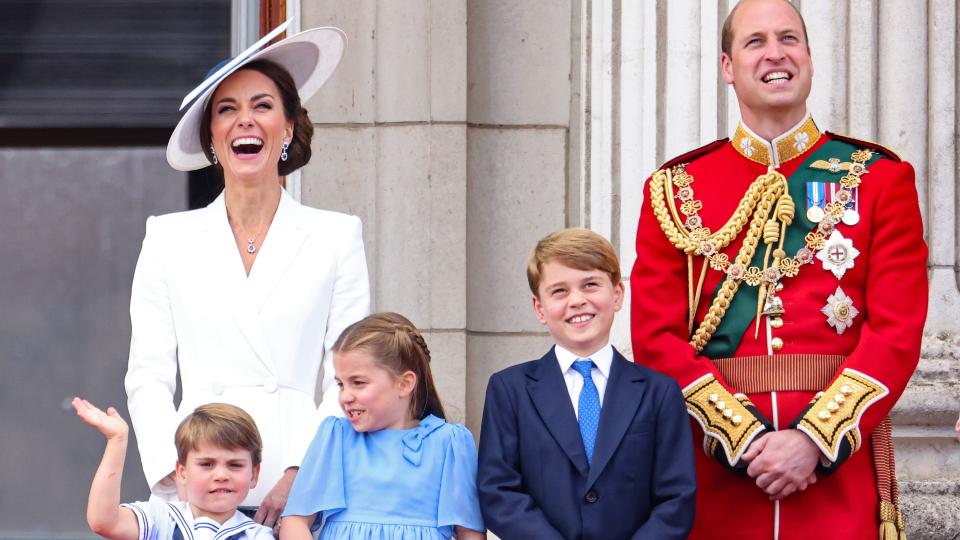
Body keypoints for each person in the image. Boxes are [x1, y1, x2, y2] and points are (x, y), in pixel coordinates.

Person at [630, 0, 928, 538]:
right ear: (727, 66)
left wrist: (813, 440)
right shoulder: (675, 190)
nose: (776, 53)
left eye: (789, 38)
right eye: (755, 41)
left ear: (810, 57)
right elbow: (656, 338)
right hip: (716, 477)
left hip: (835, 478)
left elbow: (896, 333)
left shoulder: (880, 179)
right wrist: (745, 441)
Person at [124, 22, 370, 529]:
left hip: (299, 485)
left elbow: (350, 376)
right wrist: (176, 478)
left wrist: (306, 472)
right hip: (195, 481)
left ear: (287, 127)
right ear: (211, 137)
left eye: (262, 106)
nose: (245, 121)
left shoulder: (336, 235)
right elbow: (147, 376)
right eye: (227, 109)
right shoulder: (167, 237)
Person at [478, 228, 696, 540]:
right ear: (539, 308)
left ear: (617, 294)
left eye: (590, 285)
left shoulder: (659, 392)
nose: (577, 301)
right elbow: (498, 491)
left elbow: (677, 498)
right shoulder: (510, 390)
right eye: (559, 291)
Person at [279, 312, 486, 540]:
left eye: (358, 383)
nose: (345, 396)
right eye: (340, 384)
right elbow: (296, 521)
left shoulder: (449, 443)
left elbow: (470, 533)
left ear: (404, 384)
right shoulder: (335, 437)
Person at [72, 398, 273, 539]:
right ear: (182, 472)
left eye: (235, 465)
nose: (221, 475)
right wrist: (117, 440)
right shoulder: (162, 519)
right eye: (206, 464)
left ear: (254, 474)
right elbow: (104, 522)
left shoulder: (257, 535)